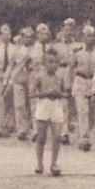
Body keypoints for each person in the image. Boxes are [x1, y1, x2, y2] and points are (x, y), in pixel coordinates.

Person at [31, 48, 70, 176]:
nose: (52, 65)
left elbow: (66, 94)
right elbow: (31, 94)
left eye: (54, 62)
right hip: (43, 105)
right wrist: (45, 93)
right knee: (41, 137)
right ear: (44, 63)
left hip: (56, 106)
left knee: (57, 136)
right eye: (49, 62)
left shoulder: (60, 78)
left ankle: (54, 163)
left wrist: (60, 94)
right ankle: (39, 163)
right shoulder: (39, 77)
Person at [69, 25, 95, 152]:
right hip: (80, 81)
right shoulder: (77, 53)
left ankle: (89, 135)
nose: (90, 38)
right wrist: (69, 85)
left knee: (92, 112)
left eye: (92, 36)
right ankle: (84, 138)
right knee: (83, 111)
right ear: (83, 37)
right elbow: (71, 69)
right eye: (87, 35)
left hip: (93, 82)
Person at [7, 26, 36, 142]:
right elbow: (11, 65)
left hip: (32, 79)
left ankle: (35, 130)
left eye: (30, 37)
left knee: (33, 105)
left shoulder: (35, 50)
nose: (28, 39)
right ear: (22, 37)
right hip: (19, 79)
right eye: (25, 36)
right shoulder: (17, 50)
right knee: (20, 105)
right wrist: (8, 79)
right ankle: (22, 130)